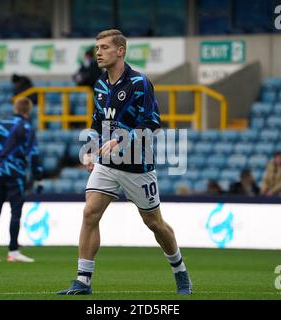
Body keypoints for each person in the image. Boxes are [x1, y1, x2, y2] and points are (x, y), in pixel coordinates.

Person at [58, 29, 192, 295]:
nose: (98, 52)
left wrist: (120, 140)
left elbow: (152, 123)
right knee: (89, 213)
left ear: (120, 51)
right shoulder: (99, 84)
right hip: (107, 165)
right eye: (97, 48)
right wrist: (89, 149)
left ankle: (180, 272)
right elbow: (97, 122)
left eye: (104, 47)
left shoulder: (139, 83)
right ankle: (83, 281)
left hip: (136, 166)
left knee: (154, 223)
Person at [0, 97, 44, 263]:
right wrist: (38, 178)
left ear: (15, 108)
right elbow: (34, 154)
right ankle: (13, 251)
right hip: (15, 174)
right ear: (28, 110)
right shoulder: (27, 127)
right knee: (15, 213)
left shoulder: (0, 125)